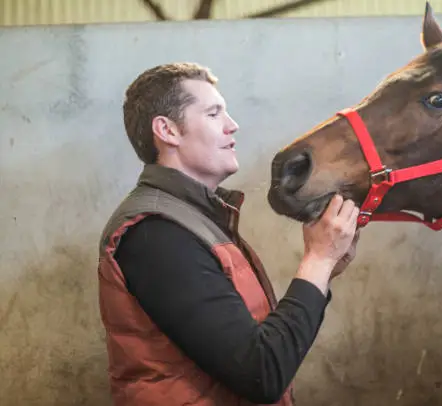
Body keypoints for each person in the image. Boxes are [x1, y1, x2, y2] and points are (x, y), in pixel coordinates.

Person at [96, 62, 361, 406]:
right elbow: (262, 372)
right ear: (167, 130)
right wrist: (318, 260)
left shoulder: (193, 219)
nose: (232, 125)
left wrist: (324, 272)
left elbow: (266, 349)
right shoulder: (156, 233)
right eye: (213, 113)